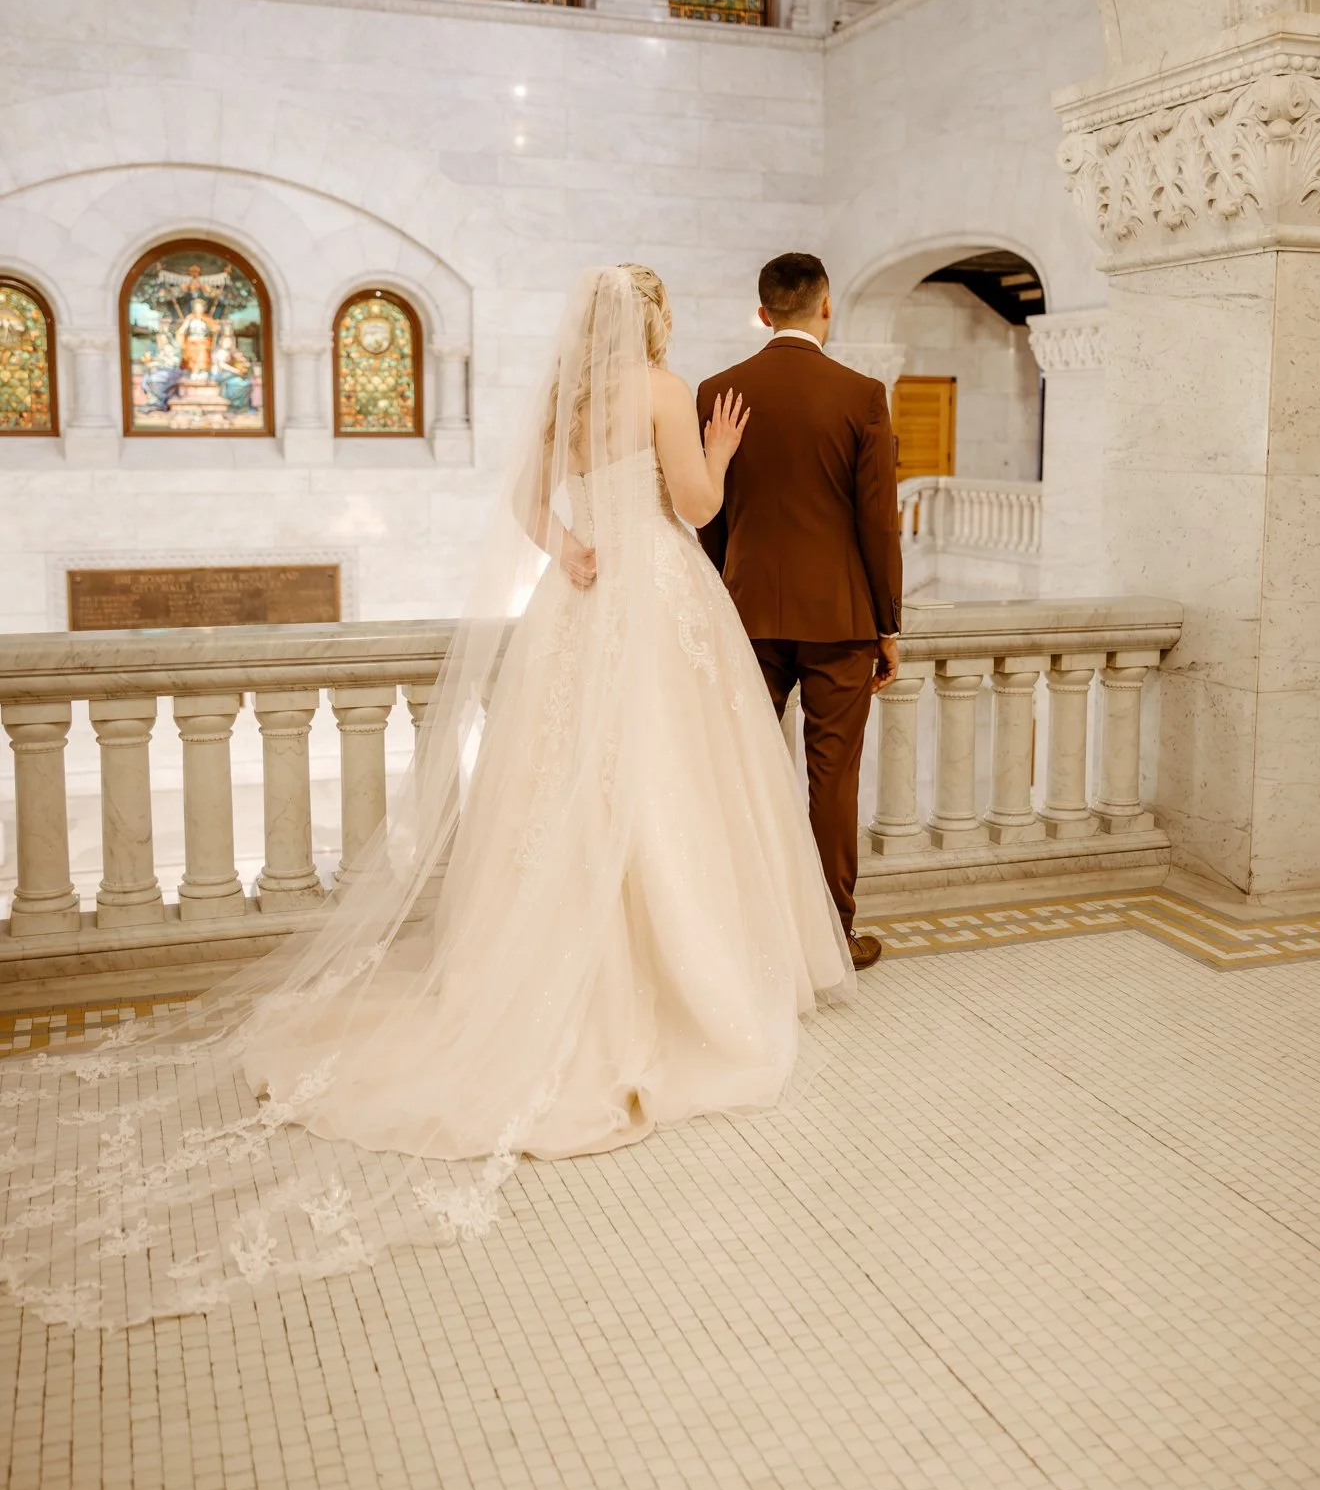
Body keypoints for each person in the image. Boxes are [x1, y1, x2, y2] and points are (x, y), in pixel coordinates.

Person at [0, 265, 854, 1330]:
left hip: (578, 609)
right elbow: (695, 506)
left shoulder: (569, 401)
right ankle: (683, 976)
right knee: (667, 784)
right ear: (649, 318)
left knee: (568, 791)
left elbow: (521, 505)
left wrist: (574, 549)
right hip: (660, 596)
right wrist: (718, 456)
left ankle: (558, 961)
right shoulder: (660, 389)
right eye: (666, 309)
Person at [697, 252, 903, 970]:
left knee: (741, 773)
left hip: (744, 613)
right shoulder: (860, 393)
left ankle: (741, 930)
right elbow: (878, 521)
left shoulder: (718, 391)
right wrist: (887, 625)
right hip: (842, 620)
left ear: (762, 313)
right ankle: (830, 938)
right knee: (833, 780)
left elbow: (708, 516)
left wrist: (726, 589)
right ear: (825, 306)